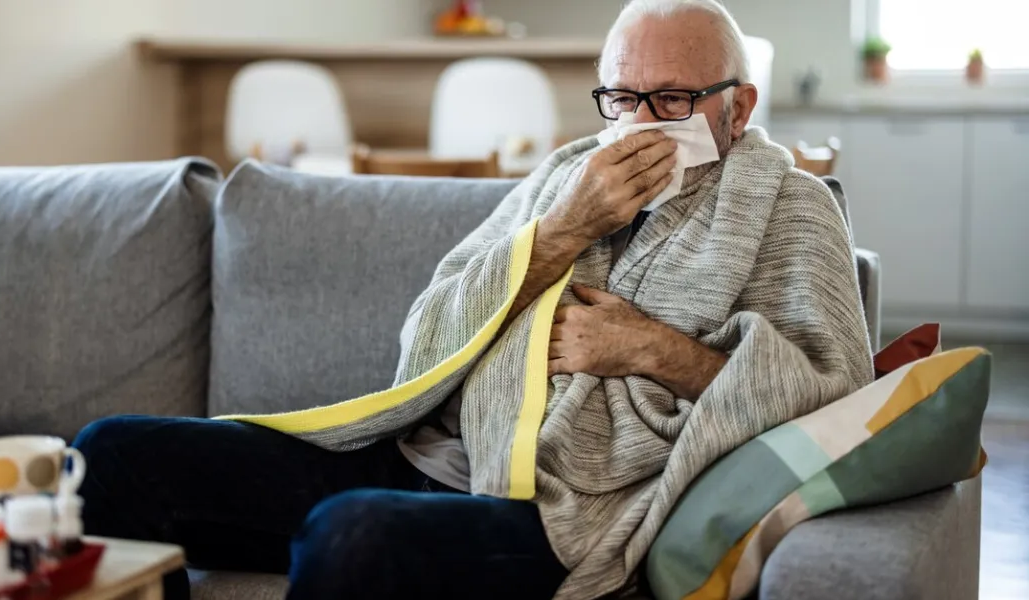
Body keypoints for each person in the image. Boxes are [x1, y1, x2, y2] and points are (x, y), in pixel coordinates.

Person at [72, 1, 874, 599]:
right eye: (621, 98)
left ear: (738, 106)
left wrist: (649, 349)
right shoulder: (566, 178)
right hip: (427, 452)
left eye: (671, 101)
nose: (639, 124)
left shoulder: (791, 209)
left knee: (352, 538)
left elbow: (835, 399)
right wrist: (563, 230)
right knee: (107, 456)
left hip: (556, 506)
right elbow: (424, 335)